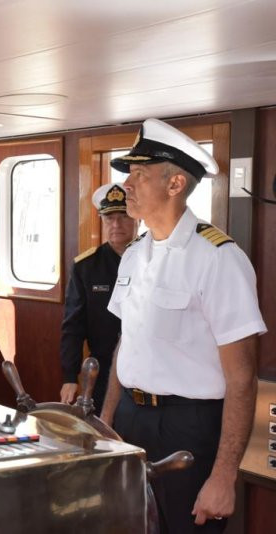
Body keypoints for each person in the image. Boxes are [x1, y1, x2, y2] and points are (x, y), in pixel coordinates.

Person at [100, 118, 266, 532]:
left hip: (189, 428)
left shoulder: (219, 259)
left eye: (139, 174)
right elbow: (127, 344)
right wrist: (105, 422)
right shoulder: (135, 254)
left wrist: (224, 475)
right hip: (129, 420)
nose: (127, 186)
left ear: (175, 185)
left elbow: (242, 378)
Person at [59, 183, 138, 412]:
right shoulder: (86, 266)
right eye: (108, 218)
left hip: (144, 368)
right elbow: (73, 325)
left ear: (136, 218)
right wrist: (69, 375)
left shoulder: (152, 260)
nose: (115, 224)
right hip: (102, 370)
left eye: (123, 216)